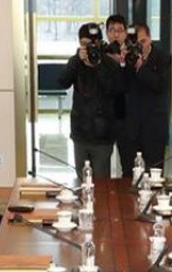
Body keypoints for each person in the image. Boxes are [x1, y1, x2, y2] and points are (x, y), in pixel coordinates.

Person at [58, 22, 119, 179]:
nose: (88, 48)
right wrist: (76, 61)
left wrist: (98, 66)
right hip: (80, 131)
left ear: (99, 42)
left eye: (91, 44)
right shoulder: (76, 62)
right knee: (82, 180)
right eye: (84, 44)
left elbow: (113, 89)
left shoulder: (109, 63)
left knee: (101, 182)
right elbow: (62, 82)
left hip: (103, 134)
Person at [123, 23, 170, 171]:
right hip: (132, 127)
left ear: (150, 39)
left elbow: (160, 85)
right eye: (136, 43)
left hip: (154, 127)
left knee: (154, 173)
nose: (140, 46)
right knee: (130, 174)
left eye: (143, 42)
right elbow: (120, 86)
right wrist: (122, 62)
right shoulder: (128, 59)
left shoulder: (163, 58)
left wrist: (140, 67)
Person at [105, 14, 131, 177]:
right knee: (100, 168)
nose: (116, 34)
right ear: (107, 33)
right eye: (112, 30)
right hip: (104, 119)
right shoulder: (99, 55)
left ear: (126, 33)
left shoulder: (132, 55)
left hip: (126, 119)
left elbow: (127, 86)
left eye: (120, 30)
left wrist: (122, 63)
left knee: (127, 165)